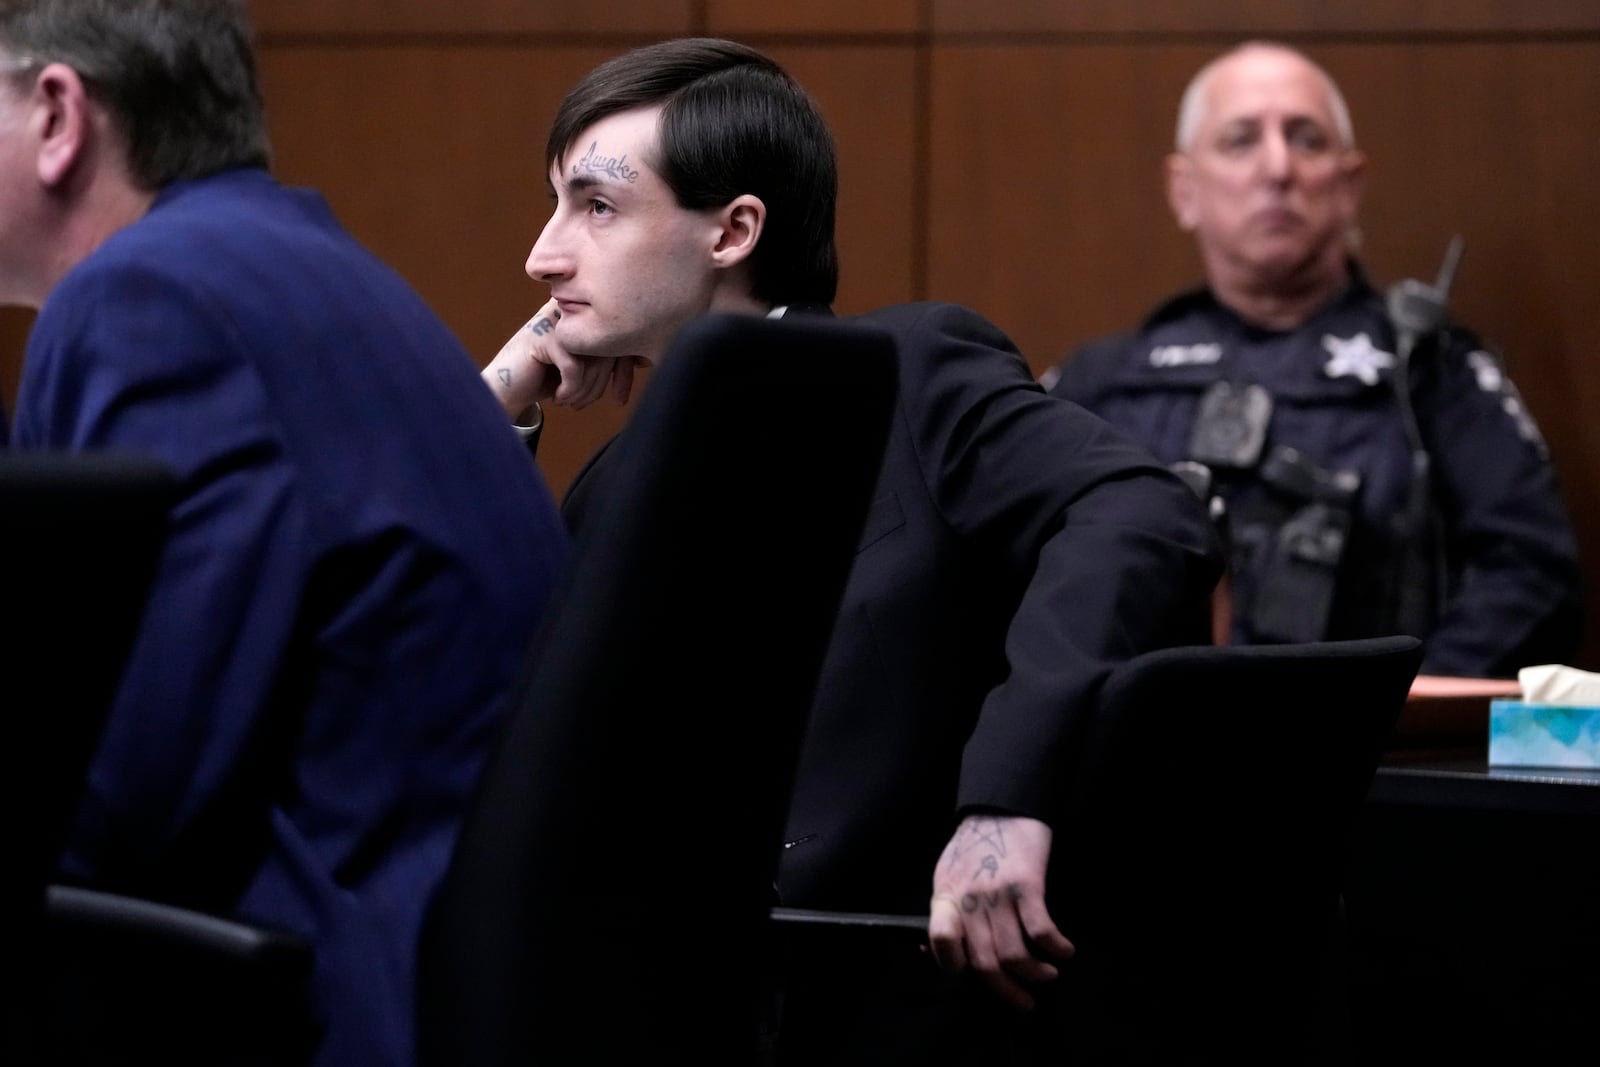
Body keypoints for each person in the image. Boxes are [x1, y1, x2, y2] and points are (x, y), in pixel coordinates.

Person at [479, 37, 1223, 1062]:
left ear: (734, 229)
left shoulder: (906, 371)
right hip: (647, 999)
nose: (543, 253)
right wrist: (497, 404)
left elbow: (1139, 509)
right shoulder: (617, 478)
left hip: (876, 1006)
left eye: (595, 207)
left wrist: (1007, 797)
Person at [0, 2, 568, 1064]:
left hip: (318, 1001)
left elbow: (124, 789)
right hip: (473, 977)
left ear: (57, 115)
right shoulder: (300, 264)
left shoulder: (146, 295)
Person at [1043, 40, 1582, 679]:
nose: (1278, 168)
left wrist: (1390, 712)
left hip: (1373, 766)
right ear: (1184, 189)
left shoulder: (1430, 372)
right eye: (1241, 140)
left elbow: (1533, 576)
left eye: (1306, 139)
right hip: (1132, 759)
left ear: (1350, 184)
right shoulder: (1101, 383)